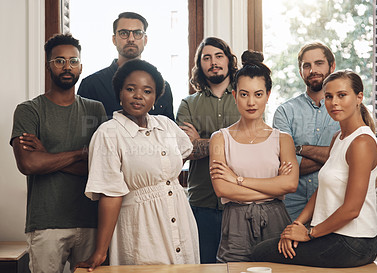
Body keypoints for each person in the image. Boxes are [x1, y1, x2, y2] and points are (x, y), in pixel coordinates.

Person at [76, 59, 199, 270]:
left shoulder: (167, 125)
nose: (138, 96)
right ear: (120, 93)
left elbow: (184, 152)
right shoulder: (108, 133)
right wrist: (100, 251)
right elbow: (111, 195)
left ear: (155, 98)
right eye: (130, 89)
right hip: (141, 225)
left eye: (147, 91)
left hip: (180, 216)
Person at [252, 70, 377, 268]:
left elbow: (352, 209)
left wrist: (309, 233)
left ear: (359, 97)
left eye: (342, 95)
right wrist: (297, 225)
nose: (334, 102)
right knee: (271, 247)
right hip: (333, 235)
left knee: (260, 253)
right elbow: (323, 190)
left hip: (354, 242)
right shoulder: (338, 138)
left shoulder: (361, 142)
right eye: (328, 96)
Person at [10, 33, 106, 273]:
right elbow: (29, 164)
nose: (67, 66)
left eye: (73, 61)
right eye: (59, 60)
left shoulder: (95, 109)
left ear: (81, 66)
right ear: (48, 66)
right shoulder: (28, 110)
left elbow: (101, 168)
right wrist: (80, 154)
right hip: (46, 224)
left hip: (91, 221)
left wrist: (48, 155)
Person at [209, 50, 299, 262]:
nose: (251, 102)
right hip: (236, 222)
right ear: (234, 96)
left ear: (268, 95)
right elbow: (222, 189)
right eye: (244, 94)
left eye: (258, 94)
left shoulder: (283, 139)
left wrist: (238, 180)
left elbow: (291, 184)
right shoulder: (219, 139)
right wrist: (274, 188)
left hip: (276, 219)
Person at [176, 37, 241, 263]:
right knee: (203, 266)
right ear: (200, 65)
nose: (213, 62)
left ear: (229, 61)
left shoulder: (246, 98)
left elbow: (253, 144)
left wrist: (201, 141)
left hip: (240, 201)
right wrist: (230, 141)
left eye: (218, 56)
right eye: (206, 58)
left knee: (240, 267)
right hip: (200, 203)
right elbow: (185, 150)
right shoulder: (188, 104)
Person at [273, 42, 340, 221]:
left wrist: (299, 149)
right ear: (300, 70)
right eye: (307, 65)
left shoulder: (344, 110)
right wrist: (334, 156)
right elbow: (286, 168)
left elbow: (351, 158)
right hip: (290, 209)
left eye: (319, 63)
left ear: (332, 66)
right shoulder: (285, 112)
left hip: (333, 205)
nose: (313, 70)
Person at [78, 12, 174, 120]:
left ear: (145, 40)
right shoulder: (92, 85)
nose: (131, 39)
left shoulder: (162, 87)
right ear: (114, 39)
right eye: (124, 33)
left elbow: (169, 133)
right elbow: (82, 132)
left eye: (137, 33)